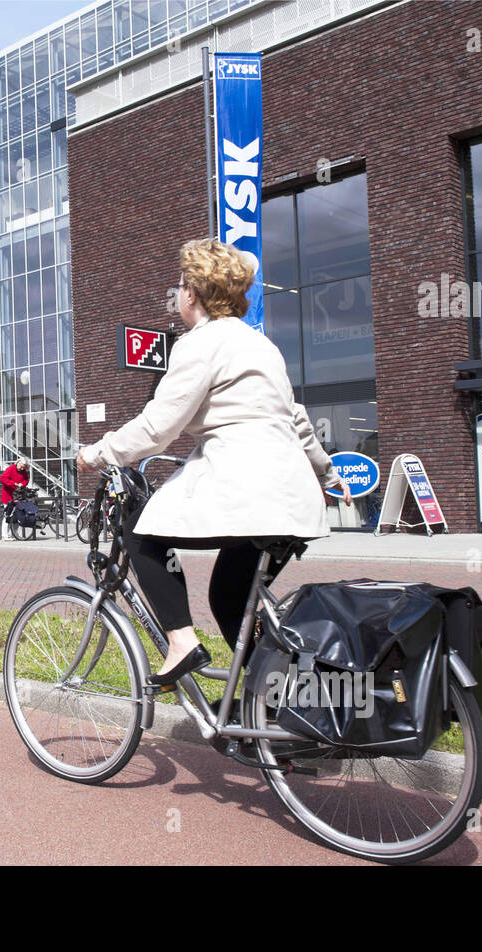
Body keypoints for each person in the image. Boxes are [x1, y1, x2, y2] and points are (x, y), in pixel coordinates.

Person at [77, 238, 351, 685]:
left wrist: (95, 453)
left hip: (245, 487)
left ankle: (182, 643)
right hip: (293, 500)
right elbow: (297, 420)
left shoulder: (198, 344)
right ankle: (277, 710)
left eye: (182, 284)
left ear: (193, 293)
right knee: (230, 599)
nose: (179, 293)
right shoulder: (261, 345)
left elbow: (157, 427)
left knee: (141, 536)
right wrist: (326, 470)